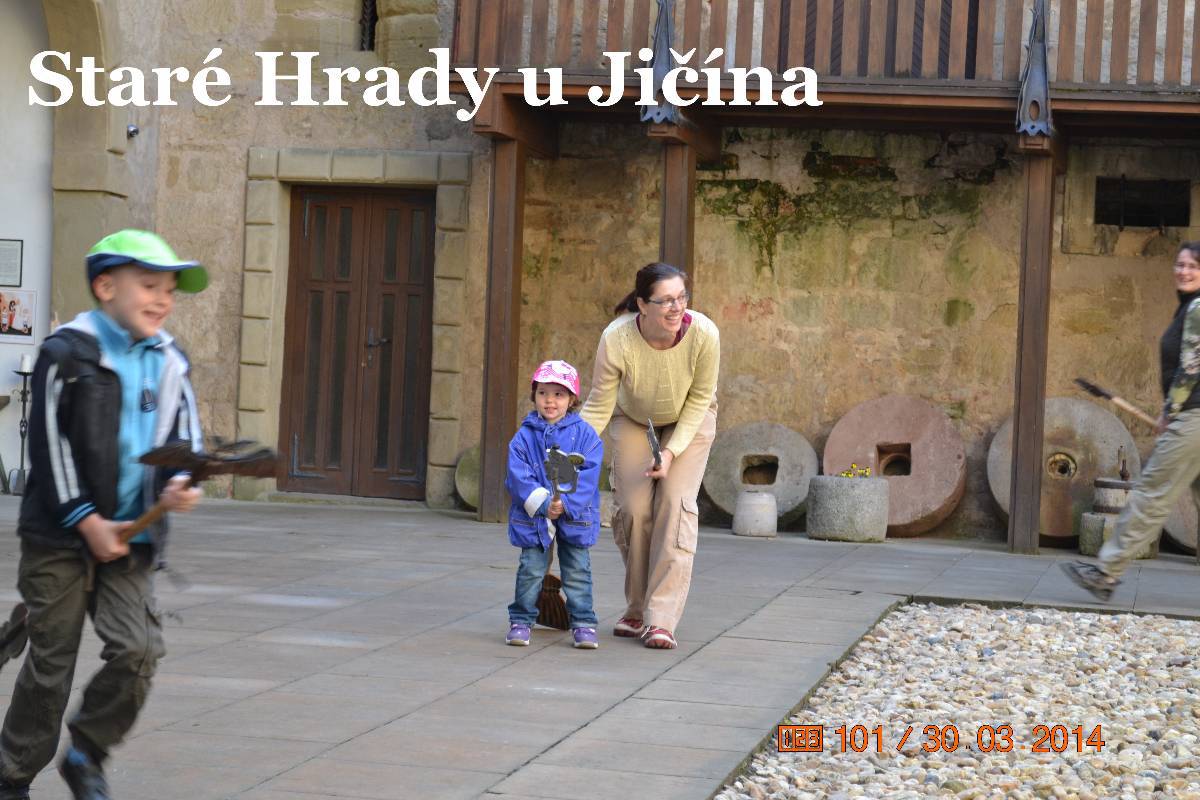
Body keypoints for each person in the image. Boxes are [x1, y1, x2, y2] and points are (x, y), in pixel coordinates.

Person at [0, 229, 208, 800]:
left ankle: (86, 752)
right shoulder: (66, 354)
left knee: (140, 650)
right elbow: (50, 449)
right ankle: (11, 776)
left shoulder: (170, 360)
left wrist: (181, 481)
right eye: (149, 285)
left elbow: (185, 440)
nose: (162, 300)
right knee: (52, 665)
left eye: (169, 290)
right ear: (106, 286)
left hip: (132, 540)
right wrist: (88, 520)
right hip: (59, 539)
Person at [580, 263, 720, 649]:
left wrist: (671, 452)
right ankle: (637, 607)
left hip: (690, 420)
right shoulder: (617, 338)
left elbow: (700, 399)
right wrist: (568, 451)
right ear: (642, 304)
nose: (677, 308)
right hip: (633, 418)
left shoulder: (704, 333)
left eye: (682, 297)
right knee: (634, 508)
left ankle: (661, 618)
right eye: (666, 300)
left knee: (674, 504)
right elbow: (599, 404)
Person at [1064, 242, 1200, 601]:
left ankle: (1105, 573)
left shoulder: (1198, 308)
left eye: (1193, 266)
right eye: (1180, 264)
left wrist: (1171, 410)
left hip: (1193, 420)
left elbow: (1191, 368)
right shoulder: (1188, 307)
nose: (1184, 271)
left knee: (1151, 494)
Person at [504, 360, 604, 649]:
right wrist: (544, 503)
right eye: (543, 393)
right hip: (535, 517)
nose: (550, 401)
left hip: (575, 515)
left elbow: (589, 474)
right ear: (534, 395)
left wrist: (567, 503)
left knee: (577, 569)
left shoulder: (586, 435)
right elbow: (517, 475)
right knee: (531, 569)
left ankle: (583, 622)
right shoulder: (524, 437)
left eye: (559, 394)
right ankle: (521, 619)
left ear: (572, 399)